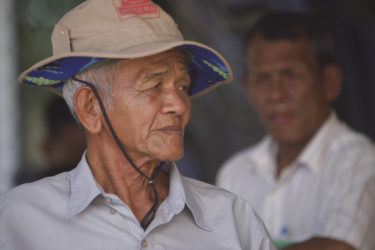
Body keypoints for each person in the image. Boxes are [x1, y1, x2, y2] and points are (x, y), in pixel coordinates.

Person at [0, 1, 274, 249]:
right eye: (154, 85)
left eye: (183, 86)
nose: (179, 105)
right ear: (90, 108)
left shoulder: (233, 220)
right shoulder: (19, 220)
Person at [216, 11, 375, 250]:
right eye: (262, 79)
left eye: (291, 75)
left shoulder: (359, 161)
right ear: (247, 88)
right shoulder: (235, 173)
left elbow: (341, 247)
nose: (276, 94)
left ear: (330, 81)